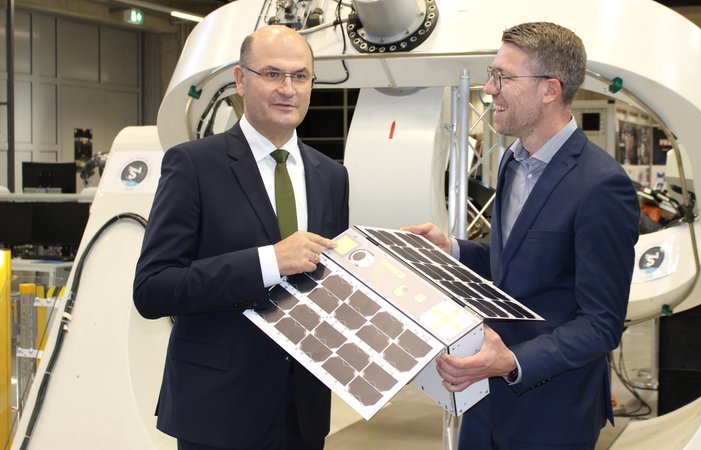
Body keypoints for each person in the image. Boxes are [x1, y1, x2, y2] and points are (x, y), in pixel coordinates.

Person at [404, 22, 640, 449]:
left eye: (503, 77)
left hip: (551, 411)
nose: (490, 89)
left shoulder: (602, 186)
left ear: (550, 89)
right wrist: (452, 249)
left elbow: (601, 324)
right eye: (493, 75)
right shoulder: (515, 163)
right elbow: (515, 262)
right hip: (485, 397)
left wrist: (511, 360)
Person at [133, 25, 349, 450]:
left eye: (300, 76)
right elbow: (153, 288)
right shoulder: (194, 165)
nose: (288, 89)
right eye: (272, 74)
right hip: (219, 411)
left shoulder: (331, 175)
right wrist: (268, 261)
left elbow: (328, 286)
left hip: (303, 412)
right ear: (240, 79)